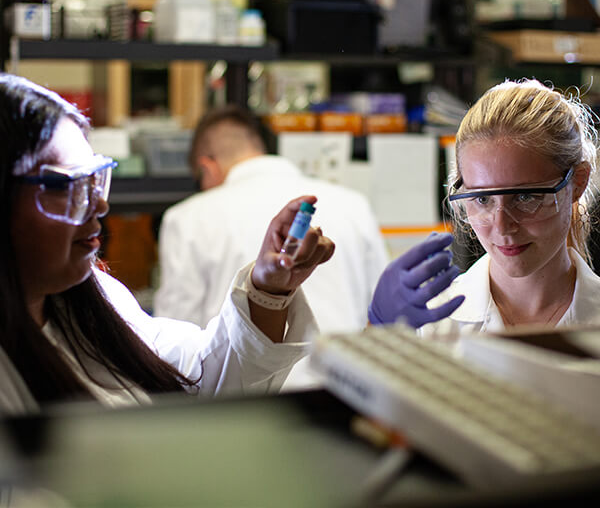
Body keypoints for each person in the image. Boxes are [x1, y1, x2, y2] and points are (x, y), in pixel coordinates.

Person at [0, 73, 334, 414]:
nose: (99, 205)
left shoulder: (91, 300)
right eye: (66, 185)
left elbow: (203, 377)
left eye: (94, 179)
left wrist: (267, 290)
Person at [154, 107, 389, 388]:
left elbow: (175, 344)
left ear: (207, 167)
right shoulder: (353, 205)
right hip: (347, 394)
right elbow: (382, 314)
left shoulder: (187, 218)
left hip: (246, 405)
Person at [369, 79, 600, 335]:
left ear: (577, 182)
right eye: (482, 199)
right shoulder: (432, 321)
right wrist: (377, 332)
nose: (502, 227)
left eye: (524, 198)